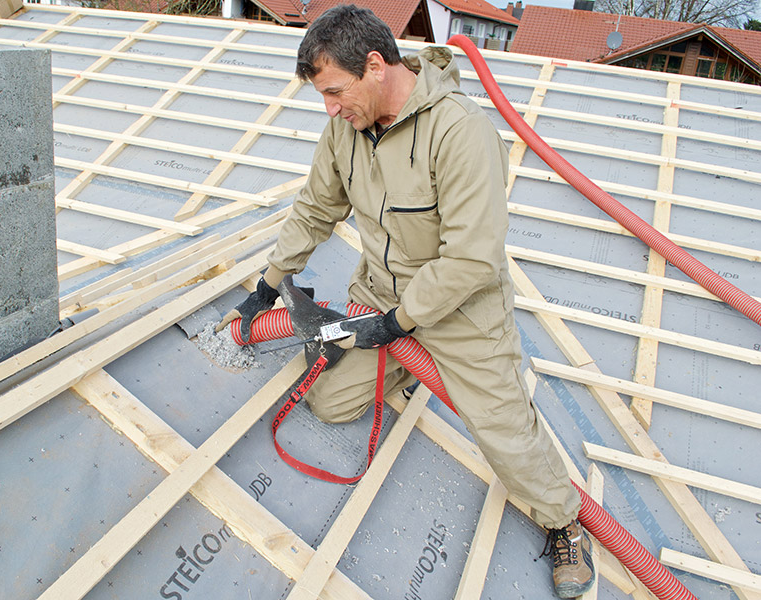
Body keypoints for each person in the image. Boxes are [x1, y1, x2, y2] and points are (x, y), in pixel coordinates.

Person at [216, 5, 594, 597]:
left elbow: (470, 259)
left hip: (461, 312)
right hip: (380, 297)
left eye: (336, 91)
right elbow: (316, 209)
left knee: (504, 433)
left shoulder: (459, 131)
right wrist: (266, 287)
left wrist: (398, 323)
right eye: (323, 96)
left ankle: (565, 522)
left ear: (375, 65)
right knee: (329, 402)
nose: (330, 109)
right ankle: (401, 371)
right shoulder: (345, 127)